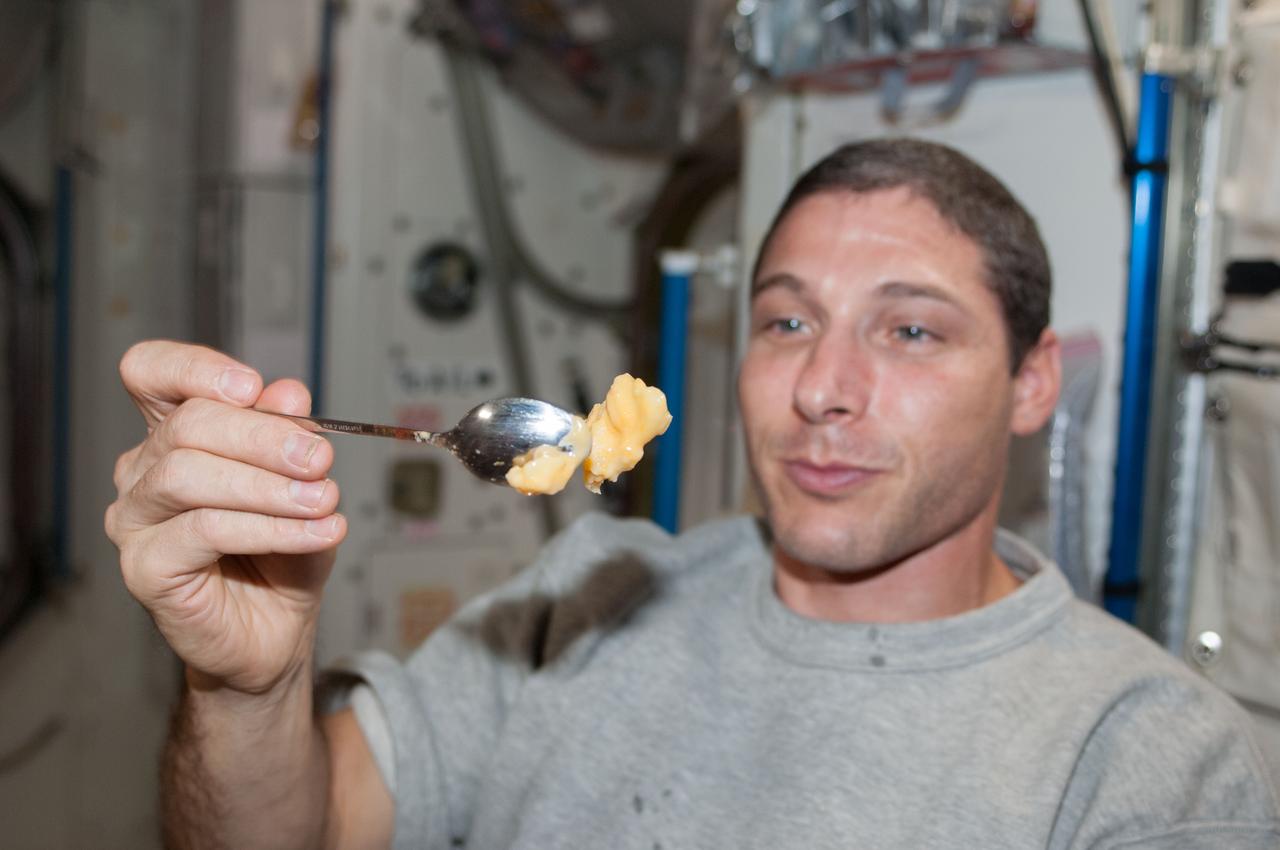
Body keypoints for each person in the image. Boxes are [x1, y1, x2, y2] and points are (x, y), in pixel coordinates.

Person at [106, 139, 1280, 850]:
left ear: (1031, 384)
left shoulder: (1154, 761)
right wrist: (243, 684)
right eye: (786, 320)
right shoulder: (585, 598)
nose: (822, 385)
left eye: (909, 328)